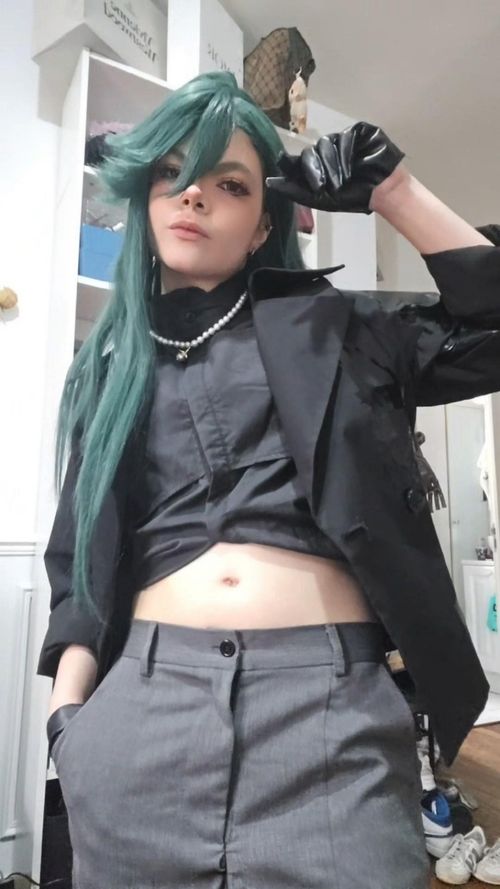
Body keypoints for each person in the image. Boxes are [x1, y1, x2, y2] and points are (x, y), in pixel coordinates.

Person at [38, 71, 500, 889]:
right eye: (173, 173)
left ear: (262, 226)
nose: (194, 194)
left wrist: (393, 190)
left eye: (230, 183)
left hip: (330, 723)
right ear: (146, 200)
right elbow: (78, 562)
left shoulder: (340, 328)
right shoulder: (109, 369)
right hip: (140, 719)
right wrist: (66, 725)